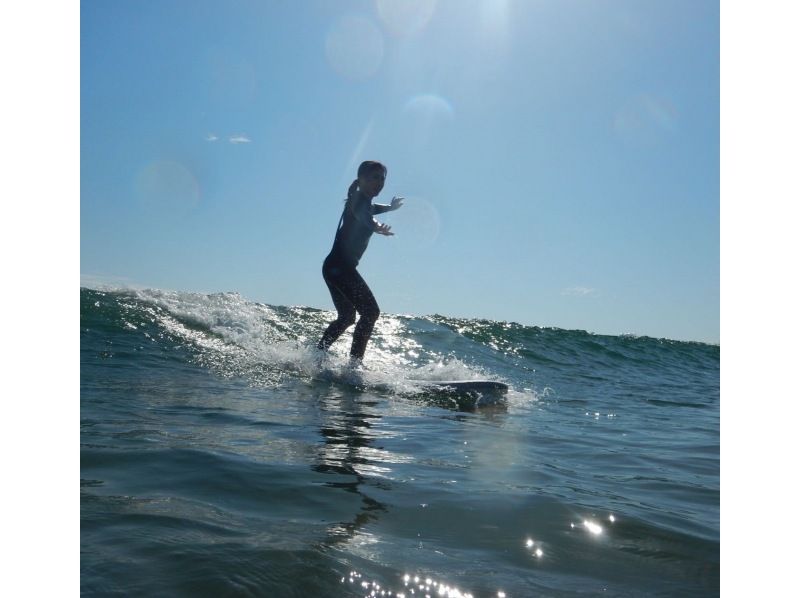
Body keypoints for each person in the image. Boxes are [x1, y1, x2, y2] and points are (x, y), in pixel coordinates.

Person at [317, 161, 403, 364]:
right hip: (340, 268)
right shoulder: (357, 200)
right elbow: (365, 216)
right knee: (371, 312)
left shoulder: (362, 200)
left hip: (334, 268)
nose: (380, 182)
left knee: (347, 317)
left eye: (382, 178)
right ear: (362, 179)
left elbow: (372, 209)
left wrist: (389, 208)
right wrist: (378, 226)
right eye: (375, 177)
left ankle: (317, 356)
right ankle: (354, 366)